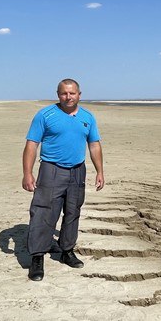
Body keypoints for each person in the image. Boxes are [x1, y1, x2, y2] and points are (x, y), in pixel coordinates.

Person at [22, 78, 105, 281]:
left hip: (77, 170)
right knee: (43, 212)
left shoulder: (87, 117)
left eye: (72, 93)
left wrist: (100, 171)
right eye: (64, 93)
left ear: (79, 94)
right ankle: (37, 257)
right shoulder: (45, 115)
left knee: (73, 211)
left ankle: (67, 250)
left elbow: (94, 145)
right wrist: (27, 173)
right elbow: (32, 144)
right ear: (58, 95)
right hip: (51, 169)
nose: (68, 97)